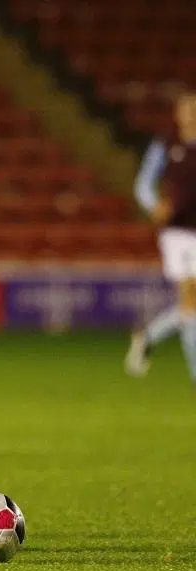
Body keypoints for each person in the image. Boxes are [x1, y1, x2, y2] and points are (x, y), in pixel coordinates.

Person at [125, 92, 196, 381]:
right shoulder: (166, 145)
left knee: (190, 307)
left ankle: (147, 336)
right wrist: (155, 205)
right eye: (188, 109)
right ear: (178, 114)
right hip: (178, 233)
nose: (192, 114)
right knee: (191, 301)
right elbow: (143, 183)